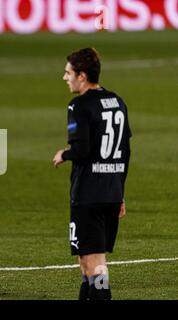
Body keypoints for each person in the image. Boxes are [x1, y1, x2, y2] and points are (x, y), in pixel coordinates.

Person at [53, 48, 132, 300]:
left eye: (68, 73)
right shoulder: (117, 101)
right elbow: (125, 151)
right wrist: (120, 192)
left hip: (89, 193)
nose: (65, 78)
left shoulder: (78, 105)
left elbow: (82, 148)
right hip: (111, 190)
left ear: (82, 76)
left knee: (95, 262)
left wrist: (63, 154)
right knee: (87, 261)